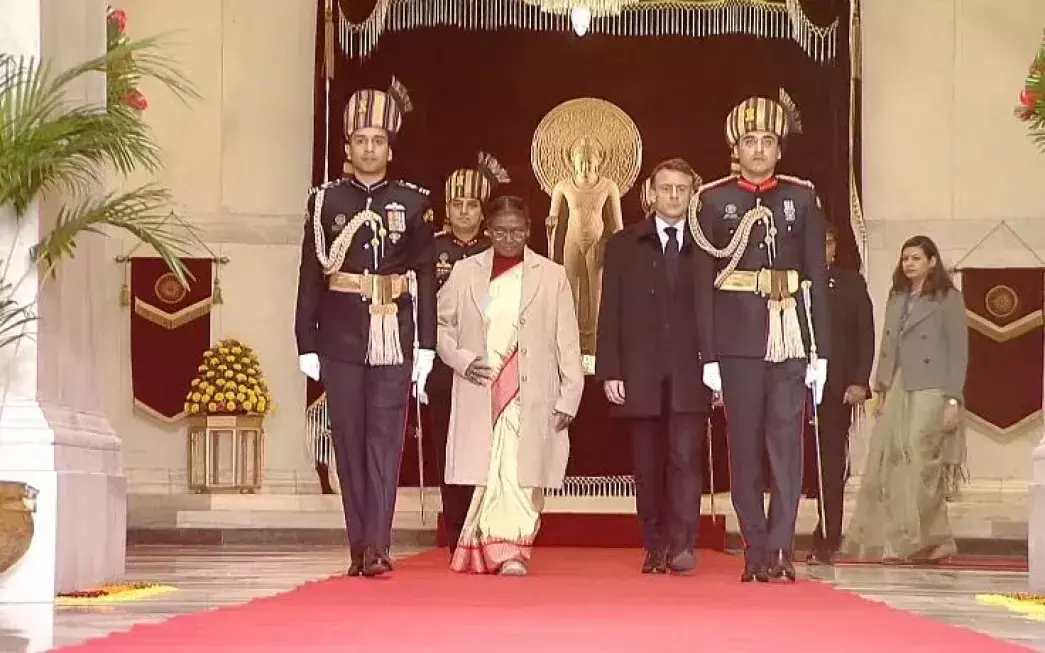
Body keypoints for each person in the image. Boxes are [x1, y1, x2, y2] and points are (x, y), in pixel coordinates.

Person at [294, 77, 436, 579]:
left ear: (389, 149)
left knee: (385, 442)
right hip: (339, 336)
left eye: (379, 140)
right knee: (350, 441)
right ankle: (360, 543)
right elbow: (312, 272)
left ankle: (378, 543)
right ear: (347, 147)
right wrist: (305, 341)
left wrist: (427, 345)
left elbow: (424, 276)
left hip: (393, 333)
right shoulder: (325, 201)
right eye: (361, 140)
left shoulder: (413, 202)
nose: (369, 148)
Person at [690, 92, 830, 583]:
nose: (758, 149)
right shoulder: (711, 200)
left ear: (779, 147)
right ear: (736, 146)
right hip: (737, 341)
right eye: (750, 140)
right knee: (744, 448)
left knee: (786, 447)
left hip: (790, 337)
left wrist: (822, 352)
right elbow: (701, 285)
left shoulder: (801, 197)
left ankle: (782, 547)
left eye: (767, 140)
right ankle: (754, 549)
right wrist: (708, 355)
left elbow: (815, 276)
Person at [436, 195, 583, 575]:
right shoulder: (466, 272)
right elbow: (439, 326)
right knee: (488, 470)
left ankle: (514, 551)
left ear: (529, 231)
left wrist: (570, 395)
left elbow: (567, 340)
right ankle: (483, 549)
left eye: (516, 231)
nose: (508, 238)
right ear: (488, 231)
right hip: (481, 388)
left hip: (530, 394)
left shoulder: (551, 276)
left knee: (520, 474)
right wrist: (463, 361)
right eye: (500, 231)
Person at [596, 158, 717, 575]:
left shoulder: (708, 245)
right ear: (649, 192)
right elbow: (608, 311)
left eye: (681, 189)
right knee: (646, 464)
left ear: (692, 194)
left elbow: (717, 312)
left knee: (685, 458)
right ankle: (655, 544)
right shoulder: (624, 244)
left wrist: (716, 368)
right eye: (665, 188)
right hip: (640, 370)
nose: (673, 196)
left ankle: (684, 543)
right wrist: (610, 369)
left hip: (690, 370)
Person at [841, 235, 966, 563]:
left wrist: (953, 399)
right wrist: (880, 386)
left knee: (920, 460)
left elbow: (959, 351)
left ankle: (930, 537)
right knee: (890, 460)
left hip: (931, 386)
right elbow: (888, 345)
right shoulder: (897, 297)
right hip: (897, 385)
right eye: (906, 258)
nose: (909, 264)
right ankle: (907, 541)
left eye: (916, 259)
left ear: (932, 262)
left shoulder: (947, 298)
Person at [428, 152, 508, 552]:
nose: (463, 212)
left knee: (493, 451)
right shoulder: (430, 250)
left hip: (492, 367)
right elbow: (422, 309)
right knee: (451, 450)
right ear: (446, 208)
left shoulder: (499, 252)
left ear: (484, 211)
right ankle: (457, 530)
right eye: (456, 204)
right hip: (446, 369)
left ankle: (491, 528)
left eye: (472, 204)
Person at [806, 223, 875, 565]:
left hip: (835, 390)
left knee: (831, 466)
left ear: (835, 247)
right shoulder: (786, 281)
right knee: (788, 464)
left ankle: (828, 536)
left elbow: (865, 334)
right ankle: (775, 537)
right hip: (790, 388)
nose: (821, 248)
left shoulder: (850, 283)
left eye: (827, 242)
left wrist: (860, 381)